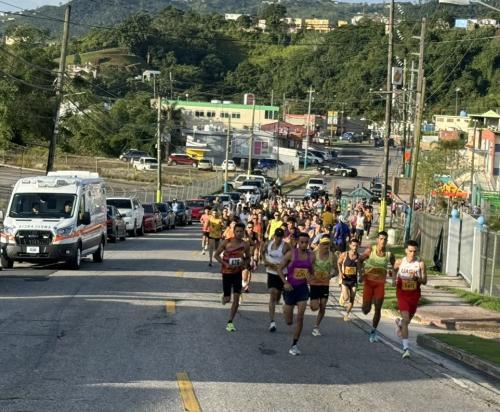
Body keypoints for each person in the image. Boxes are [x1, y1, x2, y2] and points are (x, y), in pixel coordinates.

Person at [277, 232, 315, 356]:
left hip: (302, 289)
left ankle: (294, 345)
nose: (304, 245)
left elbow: (311, 272)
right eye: (302, 242)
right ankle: (285, 308)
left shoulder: (311, 256)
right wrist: (285, 283)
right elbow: (279, 269)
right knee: (289, 321)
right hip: (290, 288)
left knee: (300, 317)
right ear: (298, 242)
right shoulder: (291, 254)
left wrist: (310, 278)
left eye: (306, 242)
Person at [214, 223, 251, 332]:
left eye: (241, 231)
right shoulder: (227, 242)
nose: (239, 233)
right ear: (234, 232)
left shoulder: (245, 245)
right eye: (237, 231)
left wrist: (245, 263)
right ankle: (225, 296)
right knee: (227, 299)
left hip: (237, 273)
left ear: (244, 232)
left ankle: (230, 322)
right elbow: (216, 255)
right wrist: (225, 264)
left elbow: (248, 257)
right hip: (226, 273)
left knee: (236, 298)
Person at [393, 240, 427, 359]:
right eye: (410, 251)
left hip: (414, 295)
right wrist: (393, 280)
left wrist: (417, 278)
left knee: (407, 321)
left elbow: (425, 281)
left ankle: (400, 323)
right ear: (406, 250)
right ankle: (406, 349)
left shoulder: (420, 264)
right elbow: (394, 270)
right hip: (402, 294)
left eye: (415, 251)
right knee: (406, 318)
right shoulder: (400, 262)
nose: (412, 253)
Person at [360, 231, 395, 342]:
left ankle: (373, 331)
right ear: (377, 240)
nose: (383, 241)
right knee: (366, 310)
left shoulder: (389, 254)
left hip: (380, 285)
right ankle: (367, 303)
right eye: (381, 239)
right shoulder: (371, 250)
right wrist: (360, 274)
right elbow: (360, 260)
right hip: (369, 284)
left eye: (385, 239)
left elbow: (395, 267)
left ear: (387, 240)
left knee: (378, 308)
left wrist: (394, 278)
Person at [262, 228, 291, 332]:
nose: (278, 238)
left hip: (282, 274)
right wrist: (265, 261)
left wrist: (283, 266)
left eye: (280, 236)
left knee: (278, 295)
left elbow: (290, 259)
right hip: (271, 273)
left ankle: (279, 299)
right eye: (277, 236)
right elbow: (262, 252)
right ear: (274, 235)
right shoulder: (268, 244)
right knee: (272, 294)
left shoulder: (286, 246)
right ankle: (272, 322)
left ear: (283, 237)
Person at [309, 235, 336, 336]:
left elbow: (335, 270)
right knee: (314, 307)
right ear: (319, 245)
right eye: (323, 244)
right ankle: (312, 304)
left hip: (325, 284)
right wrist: (310, 276)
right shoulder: (314, 254)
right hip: (314, 283)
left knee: (323, 306)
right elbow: (308, 267)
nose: (325, 246)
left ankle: (316, 327)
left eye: (327, 244)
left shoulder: (332, 256)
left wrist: (331, 275)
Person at [337, 238, 361, 321]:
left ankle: (347, 314)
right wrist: (340, 273)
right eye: (353, 245)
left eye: (356, 246)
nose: (355, 247)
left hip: (353, 280)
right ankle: (343, 296)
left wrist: (361, 276)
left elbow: (360, 268)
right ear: (350, 245)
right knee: (346, 297)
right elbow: (339, 263)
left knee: (352, 297)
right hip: (345, 279)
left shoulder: (358, 257)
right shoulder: (344, 254)